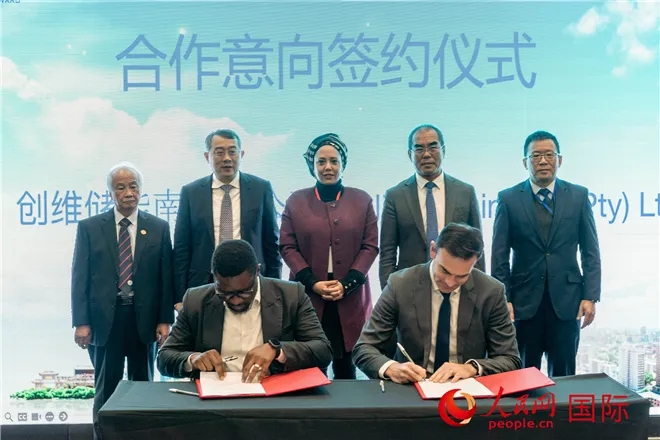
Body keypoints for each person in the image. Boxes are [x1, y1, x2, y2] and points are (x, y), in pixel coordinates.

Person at [71, 162, 174, 438]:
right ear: (110, 192)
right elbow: (80, 277)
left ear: (141, 190)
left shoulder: (159, 228)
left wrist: (165, 320)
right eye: (121, 187)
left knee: (144, 387)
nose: (128, 192)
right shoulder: (90, 228)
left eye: (133, 186)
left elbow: (165, 278)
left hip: (144, 321)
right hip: (106, 321)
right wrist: (81, 322)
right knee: (106, 389)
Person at [491, 130, 601, 377]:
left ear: (559, 160)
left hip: (567, 302)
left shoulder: (579, 196)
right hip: (523, 303)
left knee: (564, 375)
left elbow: (590, 251)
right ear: (525, 162)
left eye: (549, 155)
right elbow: (499, 255)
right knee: (521, 375)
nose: (543, 161)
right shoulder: (508, 199)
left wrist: (590, 296)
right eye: (536, 156)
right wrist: (504, 298)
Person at [353, 223, 521, 384]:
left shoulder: (491, 291)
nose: (450, 282)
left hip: (466, 388)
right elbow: (364, 348)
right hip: (413, 386)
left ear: (475, 263)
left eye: (461, 276)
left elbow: (510, 359)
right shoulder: (401, 284)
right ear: (433, 250)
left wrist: (472, 368)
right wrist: (392, 368)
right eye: (444, 271)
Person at [157, 239, 333, 381]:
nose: (235, 300)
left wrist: (277, 350)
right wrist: (193, 359)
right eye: (224, 293)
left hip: (274, 394)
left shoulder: (291, 295)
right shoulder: (196, 300)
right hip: (216, 397)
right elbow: (165, 357)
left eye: (243, 292)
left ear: (257, 271)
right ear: (214, 276)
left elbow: (322, 350)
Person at [279, 133, 379, 379]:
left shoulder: (362, 199)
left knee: (347, 367)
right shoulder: (296, 200)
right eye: (321, 162)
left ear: (343, 164)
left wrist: (347, 284)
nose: (328, 167)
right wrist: (313, 282)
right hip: (310, 296)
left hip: (350, 296)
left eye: (334, 161)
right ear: (312, 165)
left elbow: (370, 246)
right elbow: (287, 246)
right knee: (311, 367)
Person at [173, 129, 282, 311]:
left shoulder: (260, 188)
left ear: (241, 154)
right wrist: (179, 297)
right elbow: (181, 249)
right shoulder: (191, 192)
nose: (227, 158)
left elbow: (272, 244)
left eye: (232, 151)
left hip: (251, 282)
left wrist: (274, 290)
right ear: (207, 156)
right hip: (204, 283)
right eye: (219, 152)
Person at [379, 124, 484, 290]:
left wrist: (477, 291)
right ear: (410, 154)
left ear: (443, 150)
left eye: (433, 147)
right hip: (410, 289)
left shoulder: (465, 192)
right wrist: (389, 292)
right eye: (419, 149)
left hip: (456, 285)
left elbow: (477, 247)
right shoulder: (395, 196)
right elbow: (387, 253)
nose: (426, 154)